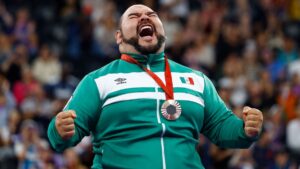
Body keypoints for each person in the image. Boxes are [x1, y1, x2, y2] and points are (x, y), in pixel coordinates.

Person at [47, 4, 263, 169]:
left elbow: (221, 127)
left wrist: (245, 130)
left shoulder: (197, 80)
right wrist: (59, 130)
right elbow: (63, 136)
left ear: (164, 32)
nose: (144, 17)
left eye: (152, 16)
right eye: (134, 16)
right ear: (119, 37)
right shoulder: (98, 81)